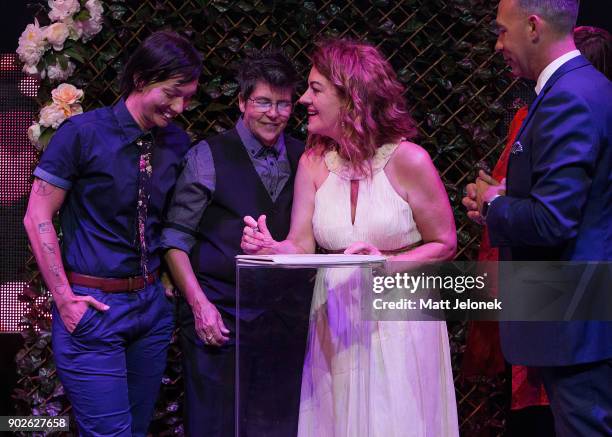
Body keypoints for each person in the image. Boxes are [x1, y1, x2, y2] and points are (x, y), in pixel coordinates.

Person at [242, 39, 459, 437]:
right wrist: (272, 249)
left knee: (394, 421)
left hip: (400, 319)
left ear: (351, 96)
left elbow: (444, 242)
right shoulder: (312, 162)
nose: (304, 98)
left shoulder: (409, 160)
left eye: (316, 89)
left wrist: (385, 265)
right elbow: (301, 243)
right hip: (336, 318)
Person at [23, 31, 201, 436]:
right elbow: (37, 217)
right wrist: (65, 299)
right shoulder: (82, 134)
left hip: (151, 309)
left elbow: (170, 222)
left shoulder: (175, 142)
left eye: (188, 97)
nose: (180, 107)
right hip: (94, 308)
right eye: (173, 93)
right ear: (141, 79)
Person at [463, 0, 612, 435]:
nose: (497, 44)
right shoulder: (589, 88)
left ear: (533, 27)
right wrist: (510, 196)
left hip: (576, 324)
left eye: (501, 31)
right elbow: (585, 202)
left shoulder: (568, 97)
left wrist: (494, 205)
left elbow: (552, 221)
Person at [161, 48, 307, 436]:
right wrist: (200, 306)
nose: (273, 113)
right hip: (220, 318)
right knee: (214, 427)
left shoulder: (305, 156)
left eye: (283, 104)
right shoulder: (208, 155)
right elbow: (175, 239)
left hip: (283, 325)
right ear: (242, 101)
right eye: (262, 101)